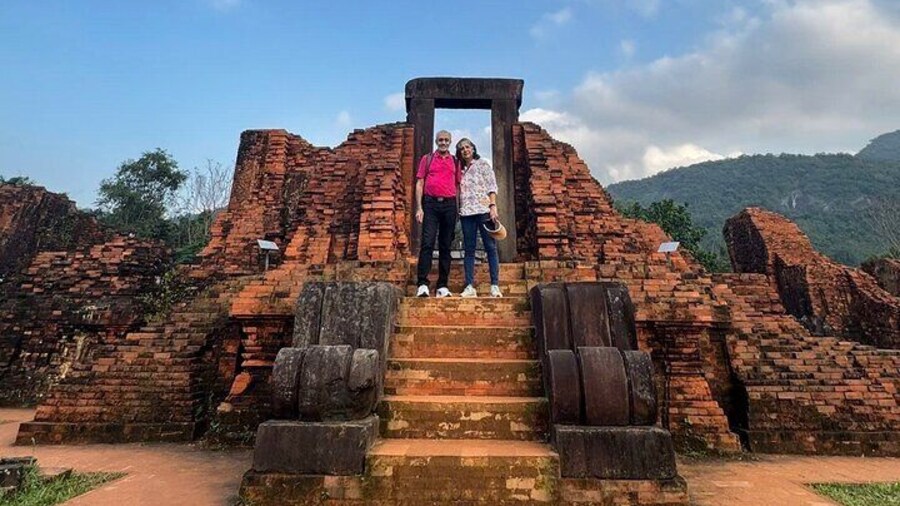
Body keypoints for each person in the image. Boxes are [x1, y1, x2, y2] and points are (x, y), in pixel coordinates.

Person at [415, 130, 461, 298]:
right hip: (430, 204)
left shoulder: (455, 161)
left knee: (445, 246)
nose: (443, 142)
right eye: (440, 140)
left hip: (449, 205)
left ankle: (442, 285)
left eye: (446, 140)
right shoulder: (427, 159)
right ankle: (422, 283)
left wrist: (458, 208)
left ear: (450, 142)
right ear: (436, 141)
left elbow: (457, 186)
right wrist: (419, 208)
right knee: (427, 243)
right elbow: (419, 183)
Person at [455, 138, 501, 298]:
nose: (465, 150)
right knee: (469, 249)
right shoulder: (459, 169)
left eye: (467, 147)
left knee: (490, 247)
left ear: (473, 148)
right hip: (467, 212)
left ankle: (494, 285)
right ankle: (469, 286)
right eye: (461, 149)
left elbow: (492, 186)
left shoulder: (483, 164)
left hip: (483, 209)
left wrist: (493, 206)